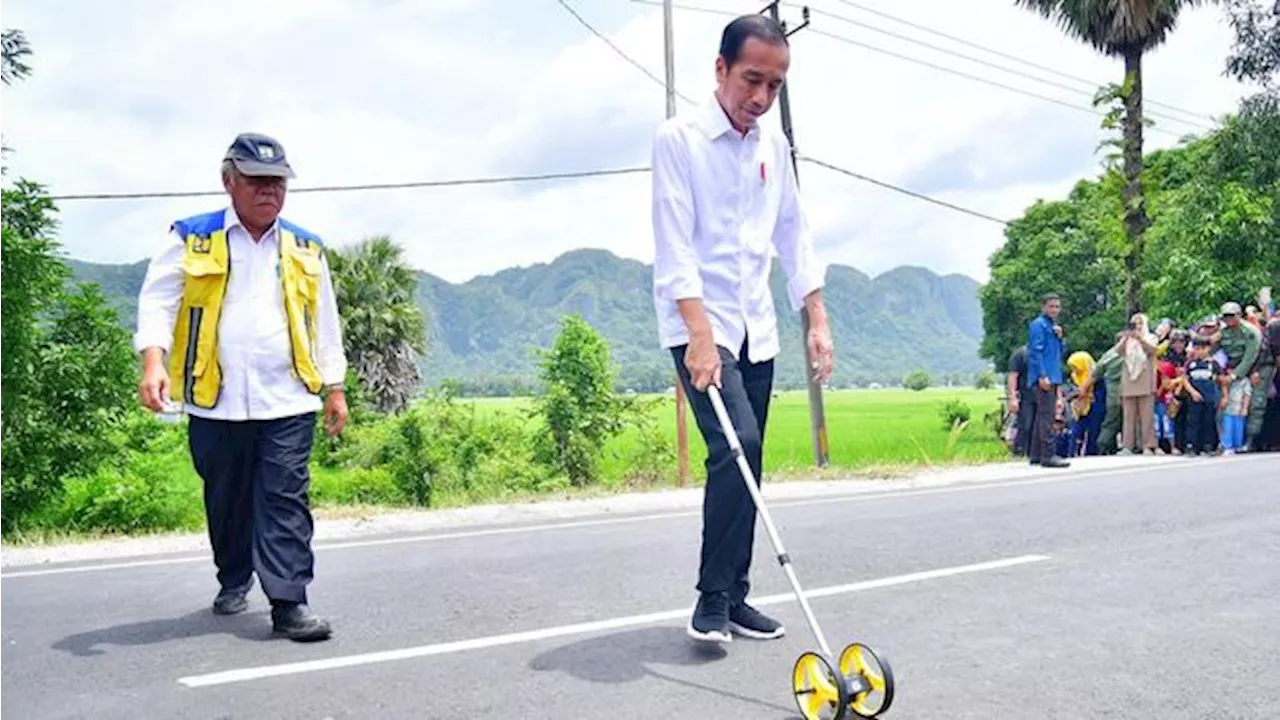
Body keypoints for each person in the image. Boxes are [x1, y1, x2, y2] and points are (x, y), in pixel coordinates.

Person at [650, 15, 832, 645]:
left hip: (758, 325)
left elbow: (793, 230)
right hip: (700, 323)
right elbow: (674, 247)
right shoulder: (678, 140)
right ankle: (711, 596)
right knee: (735, 446)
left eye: (774, 86)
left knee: (747, 457)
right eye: (752, 79)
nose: (760, 96)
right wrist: (700, 337)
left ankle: (737, 595)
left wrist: (816, 317)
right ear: (721, 69)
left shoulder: (771, 145)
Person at [134, 133, 349, 642]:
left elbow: (325, 323)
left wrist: (335, 388)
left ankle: (289, 601)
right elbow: (158, 303)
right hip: (215, 401)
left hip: (289, 399)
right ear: (228, 180)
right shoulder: (192, 237)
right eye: (256, 180)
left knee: (284, 499)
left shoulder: (305, 246)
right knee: (226, 499)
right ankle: (233, 575)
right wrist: (153, 363)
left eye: (277, 182)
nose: (268, 191)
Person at [1025, 293, 1068, 468]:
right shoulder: (1038, 325)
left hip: (1053, 373)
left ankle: (1036, 454)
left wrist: (1060, 337)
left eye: (1057, 307)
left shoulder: (1053, 327)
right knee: (1047, 416)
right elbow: (1035, 351)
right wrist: (1042, 375)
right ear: (1044, 307)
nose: (1054, 310)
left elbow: (1060, 351)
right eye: (1051, 306)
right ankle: (1048, 455)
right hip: (1045, 376)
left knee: (1041, 416)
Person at [1215, 302, 1263, 451]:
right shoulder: (1224, 332)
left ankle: (1250, 439)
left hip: (1255, 367)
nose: (1228, 319)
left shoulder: (1250, 331)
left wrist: (1235, 375)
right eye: (1225, 316)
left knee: (1254, 403)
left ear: (1239, 315)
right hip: (1231, 370)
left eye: (1231, 316)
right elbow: (1214, 351)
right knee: (1225, 405)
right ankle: (1225, 440)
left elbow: (1251, 356)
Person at [1118, 313, 1159, 455]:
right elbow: (1119, 352)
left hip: (1145, 379)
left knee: (1146, 415)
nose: (1138, 326)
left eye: (1140, 323)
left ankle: (1148, 445)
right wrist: (1126, 338)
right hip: (1129, 380)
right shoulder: (1126, 339)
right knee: (1128, 415)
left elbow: (1153, 350)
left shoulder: (1151, 337)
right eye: (1134, 323)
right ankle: (1127, 445)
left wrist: (1141, 339)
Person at [1184, 342, 1222, 456]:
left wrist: (1223, 396)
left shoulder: (1213, 364)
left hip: (1209, 398)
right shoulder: (1191, 364)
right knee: (1193, 422)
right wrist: (1193, 392)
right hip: (1194, 398)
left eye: (1202, 349)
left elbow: (1219, 380)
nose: (1199, 352)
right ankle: (1191, 445)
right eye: (1196, 349)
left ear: (1208, 349)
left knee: (1208, 421)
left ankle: (1208, 445)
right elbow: (1185, 379)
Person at [1006, 345, 1031, 456]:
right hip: (1025, 396)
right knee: (1025, 425)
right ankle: (1018, 452)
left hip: (1041, 396)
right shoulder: (1021, 354)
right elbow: (1013, 376)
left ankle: (1033, 453)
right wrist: (1013, 398)